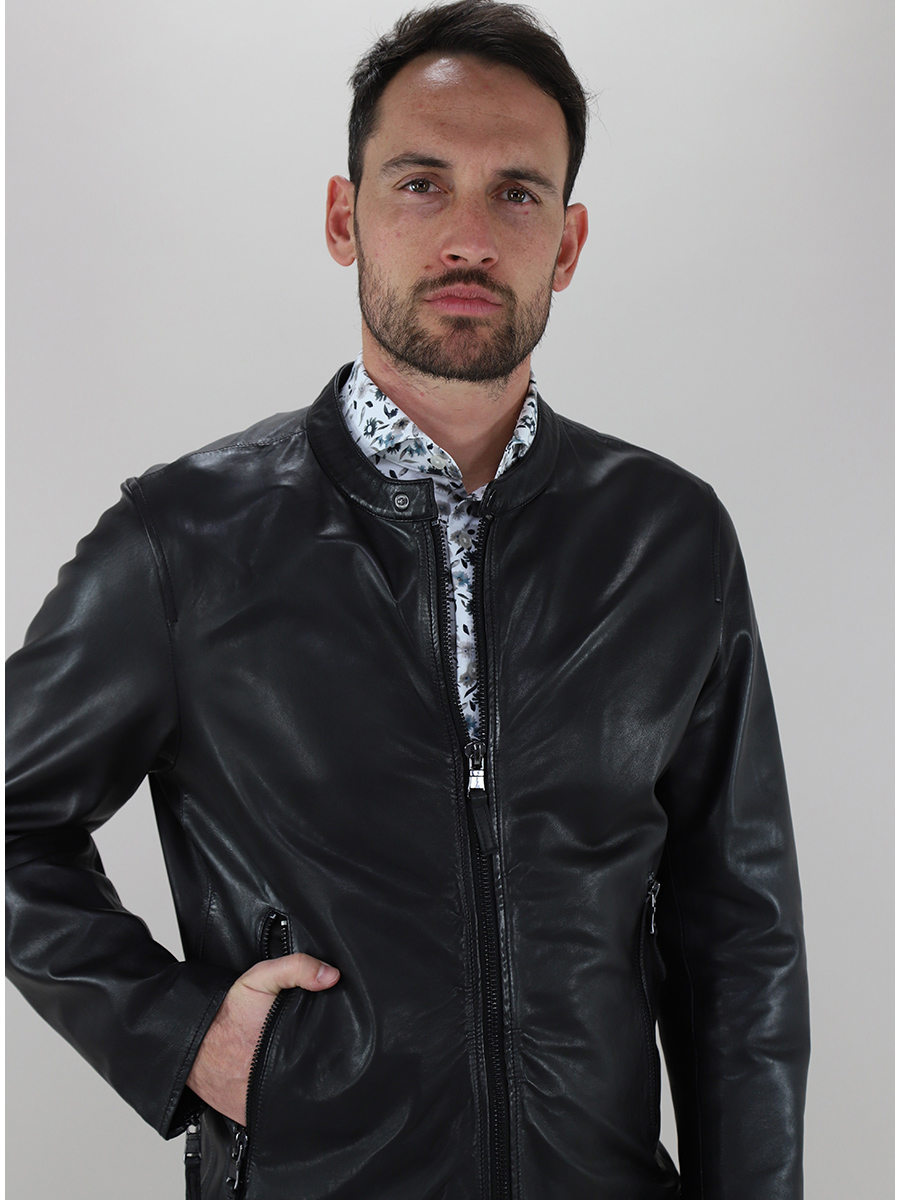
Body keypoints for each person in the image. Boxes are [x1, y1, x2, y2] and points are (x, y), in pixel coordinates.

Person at [5, 1, 810, 1196]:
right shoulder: (186, 541)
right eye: (422, 183)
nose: (470, 236)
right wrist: (179, 1037)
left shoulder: (668, 538)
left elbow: (738, 936)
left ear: (569, 243)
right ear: (347, 217)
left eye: (518, 193)